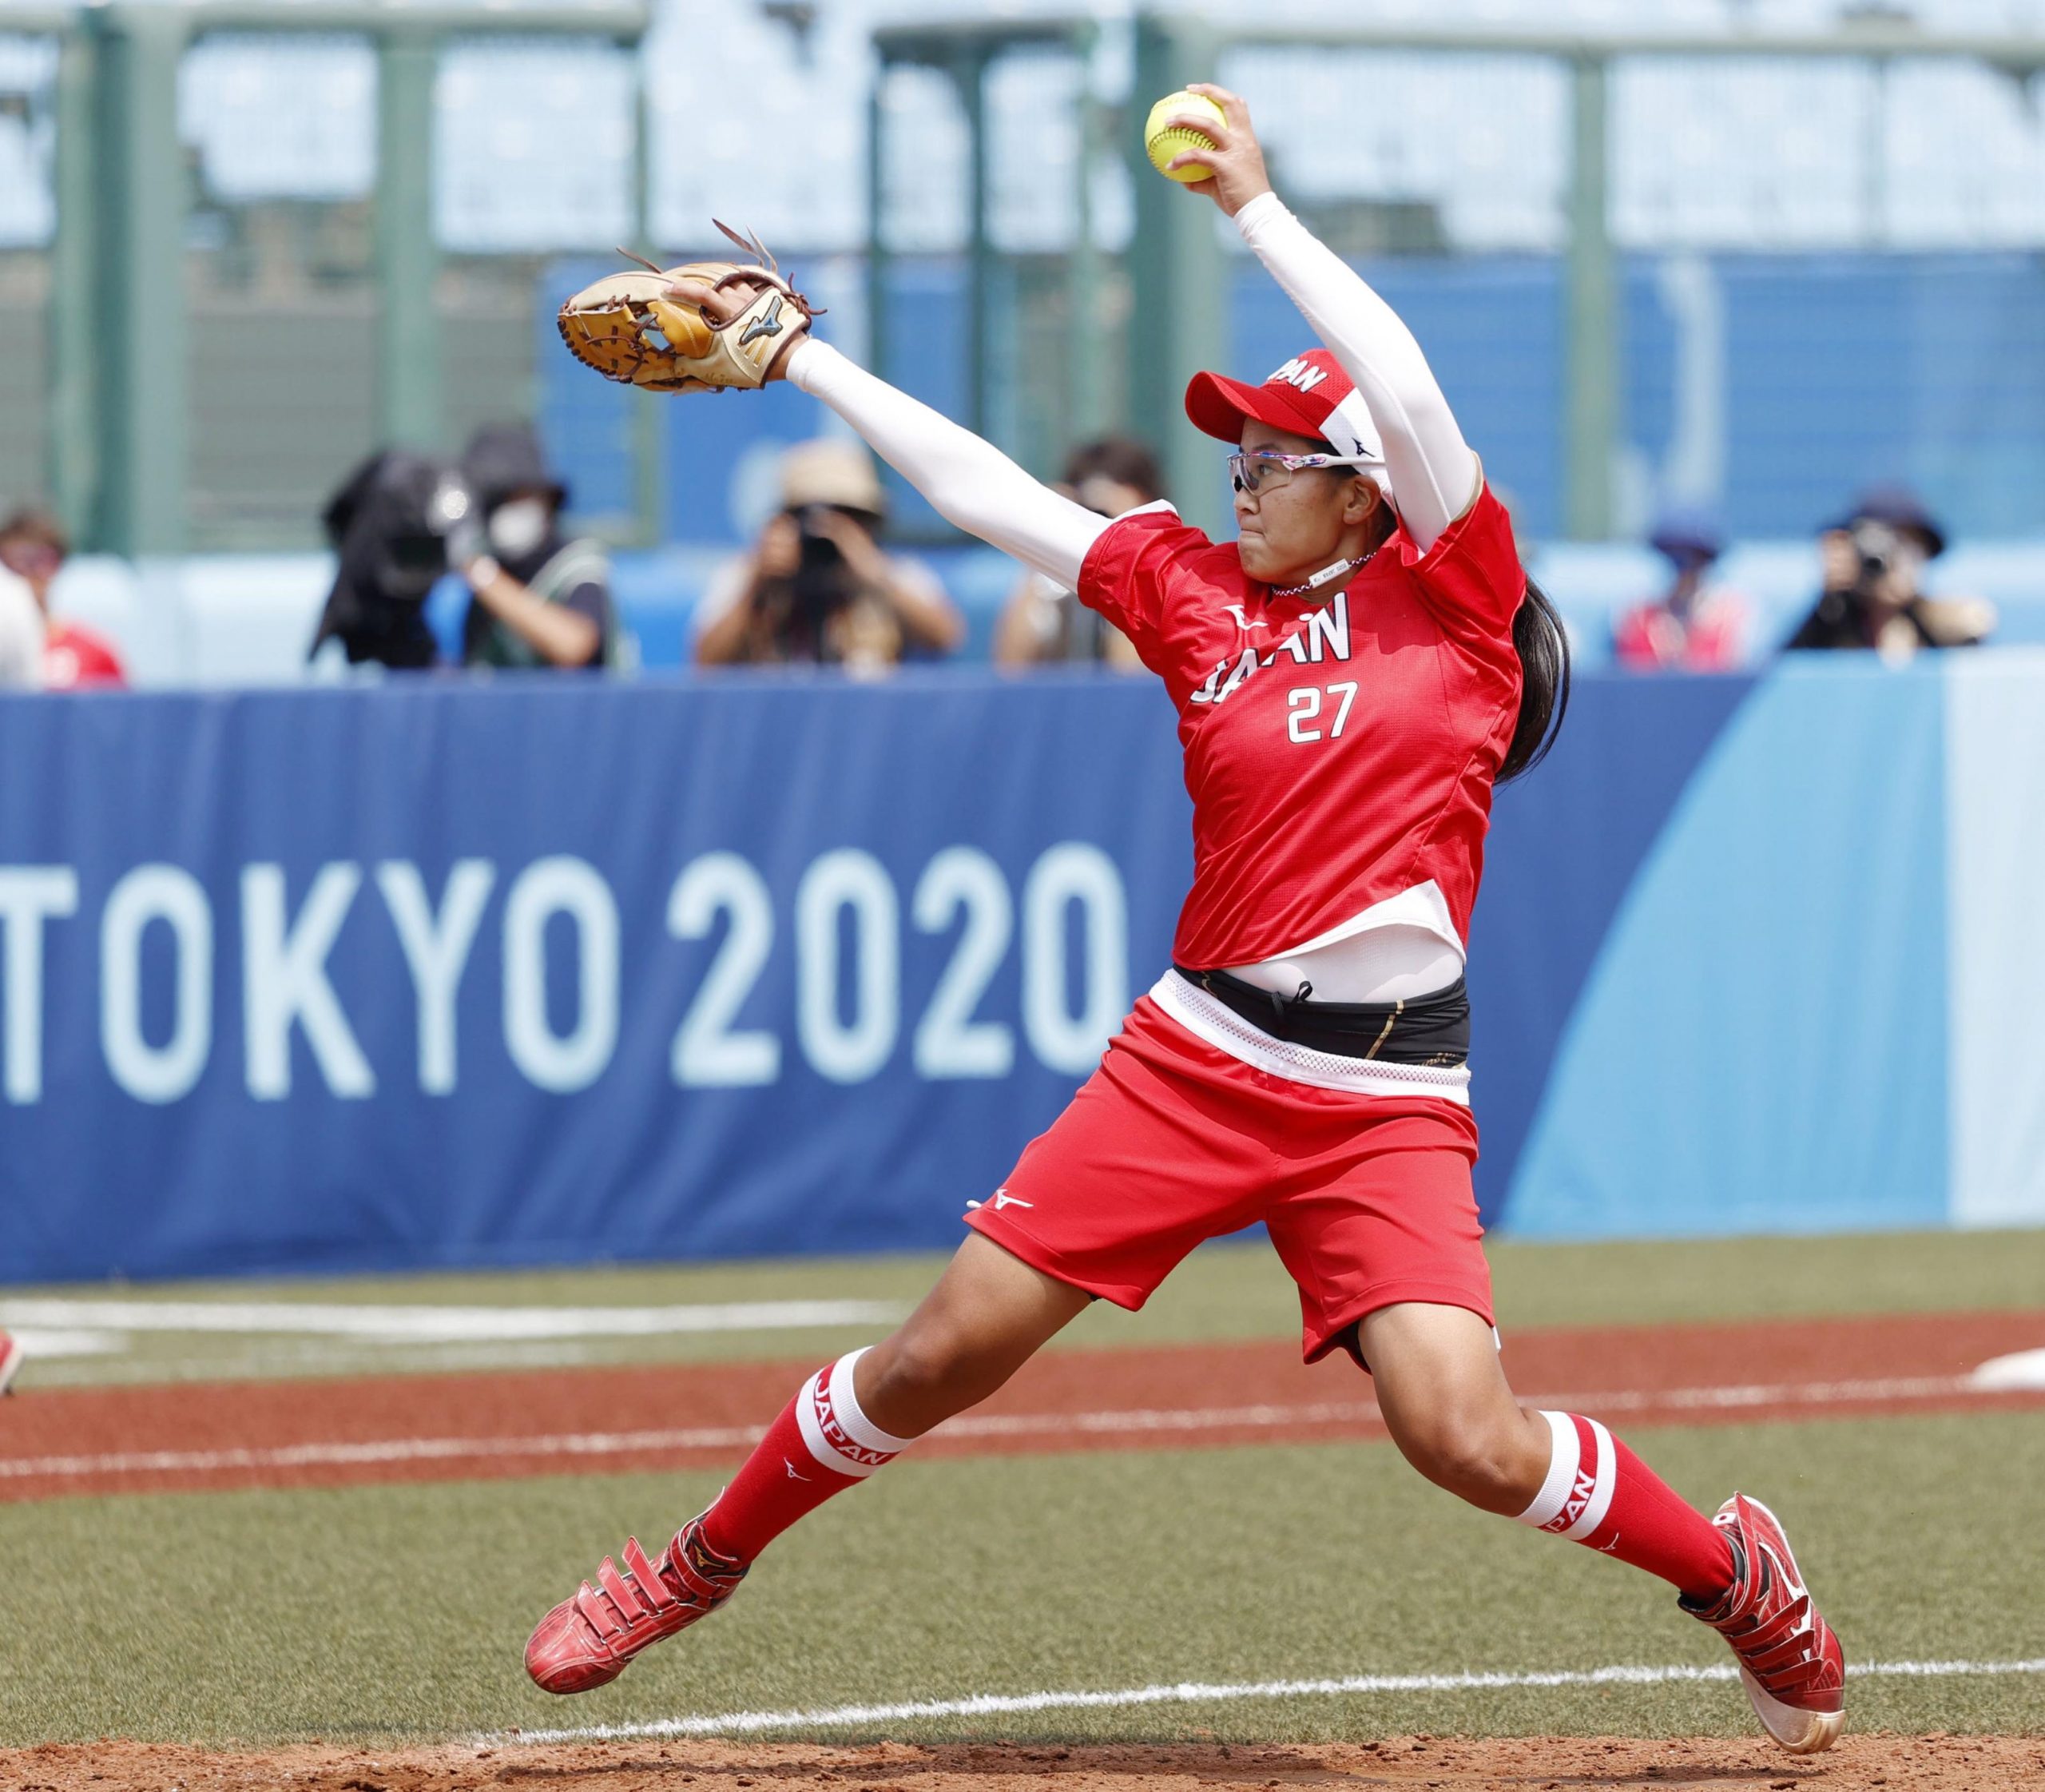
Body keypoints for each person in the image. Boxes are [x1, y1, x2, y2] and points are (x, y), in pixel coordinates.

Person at [525, 85, 1846, 1758]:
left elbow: (1413, 391)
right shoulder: (1190, 591)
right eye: (1232, 444)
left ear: (1364, 493)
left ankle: (1737, 1576)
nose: (1241, 470)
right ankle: (686, 1565)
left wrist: (1254, 212)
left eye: (1279, 454)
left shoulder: (1452, 601)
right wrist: (800, 358)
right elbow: (996, 496)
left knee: (1462, 1431)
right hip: (1200, 1052)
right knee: (943, 1349)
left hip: (1380, 1095)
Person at [695, 438, 962, 671]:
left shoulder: (895, 573)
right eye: (811, 518)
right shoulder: (747, 576)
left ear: (868, 523)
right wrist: (757, 585)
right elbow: (705, 663)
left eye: (847, 517)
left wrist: (873, 573)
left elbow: (946, 637)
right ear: (785, 521)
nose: (828, 533)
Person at [459, 423, 624, 670]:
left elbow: (575, 646)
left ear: (546, 500)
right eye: (502, 500)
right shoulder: (489, 582)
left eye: (523, 495)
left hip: (589, 708)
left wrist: (483, 576)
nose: (513, 509)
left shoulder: (576, 564)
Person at [994, 437, 1162, 670]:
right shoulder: (1055, 583)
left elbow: (1129, 676)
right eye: (1090, 511)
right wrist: (1046, 544)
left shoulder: (1169, 577)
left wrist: (1125, 550)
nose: (1100, 520)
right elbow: (1011, 668)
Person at [1786, 487, 1992, 662]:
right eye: (1887, 548)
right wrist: (1828, 605)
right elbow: (1785, 678)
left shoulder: (1941, 622)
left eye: (1912, 548)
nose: (1899, 562)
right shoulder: (1833, 624)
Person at [0, 507, 127, 689]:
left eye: (35, 560)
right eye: (10, 563)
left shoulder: (93, 652)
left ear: (57, 564)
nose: (24, 573)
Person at [1612, 508, 1749, 673]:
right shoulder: (1640, 620)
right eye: (1677, 560)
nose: (1685, 572)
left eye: (1695, 560)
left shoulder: (1733, 619)